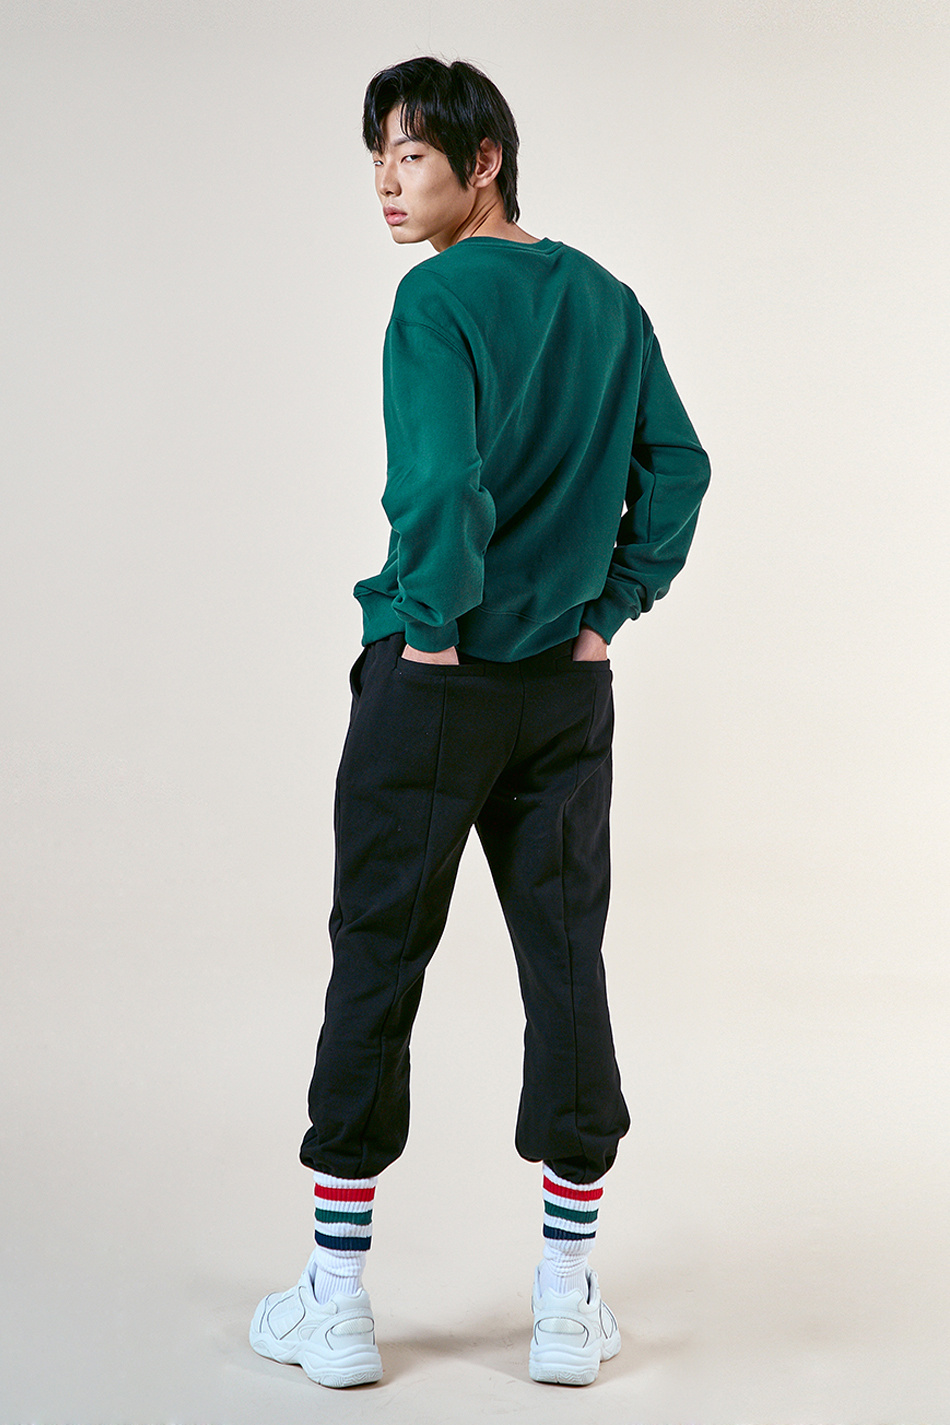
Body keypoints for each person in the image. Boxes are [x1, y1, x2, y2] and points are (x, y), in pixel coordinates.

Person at [249, 54, 711, 1390]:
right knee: (566, 963)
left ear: (483, 160)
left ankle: (338, 1299)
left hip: (434, 682)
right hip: (561, 693)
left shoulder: (435, 298)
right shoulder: (607, 301)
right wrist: (603, 612)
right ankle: (564, 1301)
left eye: (407, 155)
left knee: (376, 957)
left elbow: (442, 482)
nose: (386, 185)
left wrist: (438, 624)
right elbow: (679, 467)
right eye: (376, 160)